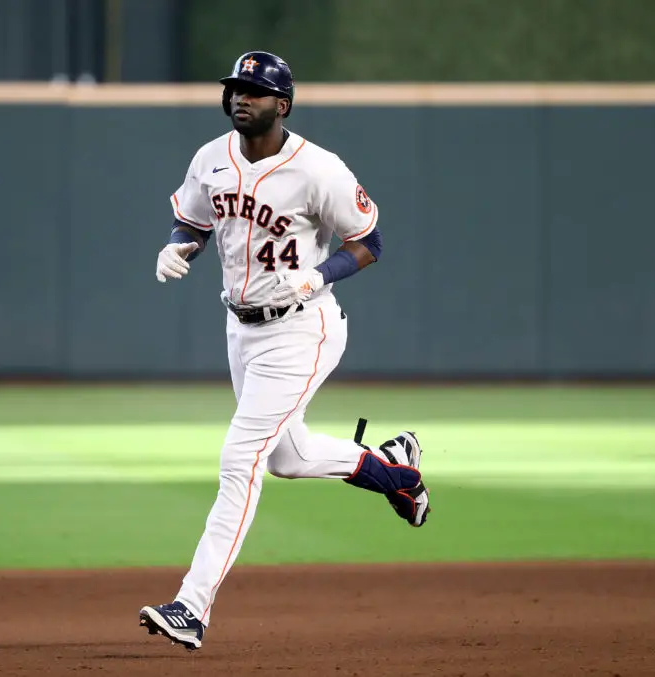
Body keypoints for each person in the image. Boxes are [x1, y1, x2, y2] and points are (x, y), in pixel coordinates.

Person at [138, 51, 430, 651]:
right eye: (235, 88)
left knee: (239, 460)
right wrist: (179, 247)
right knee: (287, 458)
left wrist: (321, 275)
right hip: (240, 329)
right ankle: (395, 473)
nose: (240, 98)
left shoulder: (318, 169)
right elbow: (191, 221)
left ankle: (192, 606)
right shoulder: (210, 158)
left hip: (303, 328)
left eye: (254, 90)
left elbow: (369, 241)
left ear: (282, 104)